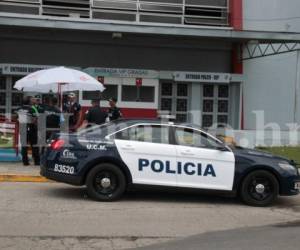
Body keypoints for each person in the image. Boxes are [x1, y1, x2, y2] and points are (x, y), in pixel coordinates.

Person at [17, 96, 32, 166]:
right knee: (33, 144)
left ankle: (25, 161)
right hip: (30, 127)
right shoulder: (31, 108)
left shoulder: (19, 109)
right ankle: (36, 161)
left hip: (22, 127)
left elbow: (15, 117)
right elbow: (35, 118)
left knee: (24, 145)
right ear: (29, 102)